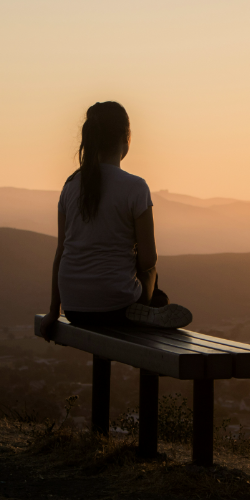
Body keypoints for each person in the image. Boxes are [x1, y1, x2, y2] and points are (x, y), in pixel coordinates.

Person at [39, 101, 191, 341]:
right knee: (153, 276)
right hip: (117, 307)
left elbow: (61, 253)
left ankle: (149, 307)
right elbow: (149, 259)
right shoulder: (135, 187)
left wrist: (52, 312)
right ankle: (152, 307)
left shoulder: (70, 186)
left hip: (74, 309)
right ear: (126, 138)